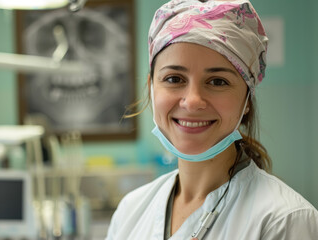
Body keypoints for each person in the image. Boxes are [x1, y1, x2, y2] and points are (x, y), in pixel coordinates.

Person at [106, 0, 318, 239]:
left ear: (247, 100)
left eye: (218, 81)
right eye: (174, 79)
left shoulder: (284, 220)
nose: (193, 101)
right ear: (151, 87)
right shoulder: (130, 212)